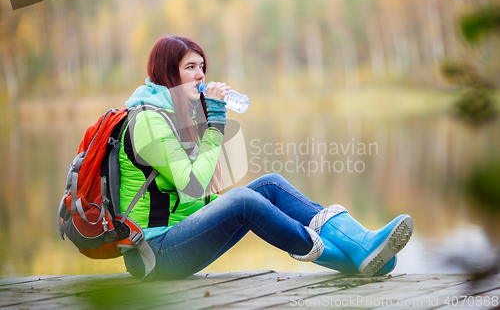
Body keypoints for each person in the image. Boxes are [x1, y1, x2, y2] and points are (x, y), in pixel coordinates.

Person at [120, 35, 414, 280]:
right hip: (153, 255)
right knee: (242, 201)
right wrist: (217, 121)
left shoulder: (172, 114)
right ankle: (353, 260)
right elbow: (194, 185)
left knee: (270, 185)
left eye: (202, 67)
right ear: (168, 73)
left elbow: (191, 196)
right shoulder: (147, 120)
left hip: (177, 238)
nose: (201, 76)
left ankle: (360, 245)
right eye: (190, 67)